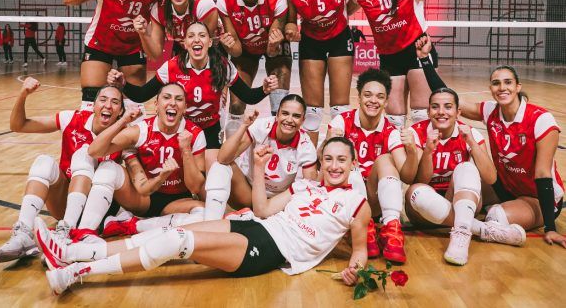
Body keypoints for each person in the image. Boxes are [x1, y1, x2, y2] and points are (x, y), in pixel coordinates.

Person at [34, 137, 370, 295]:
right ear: (321, 163)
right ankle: (71, 252)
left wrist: (355, 271)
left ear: (353, 164)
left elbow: (359, 249)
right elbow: (265, 209)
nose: (334, 166)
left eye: (342, 160)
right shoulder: (305, 187)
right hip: (257, 225)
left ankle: (76, 273)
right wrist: (256, 166)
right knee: (174, 230)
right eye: (328, 159)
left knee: (178, 241)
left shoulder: (356, 203)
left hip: (273, 249)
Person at [415, 35, 566, 248]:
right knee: (462, 195)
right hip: (505, 188)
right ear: (491, 88)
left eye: (508, 82)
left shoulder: (541, 119)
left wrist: (550, 228)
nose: (502, 87)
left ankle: (476, 228)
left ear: (518, 86)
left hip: (537, 197)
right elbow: (448, 99)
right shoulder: (490, 111)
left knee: (495, 216)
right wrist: (425, 60)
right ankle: (461, 224)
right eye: (496, 83)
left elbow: (542, 174)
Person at [107, 21, 279, 169]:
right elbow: (142, 94)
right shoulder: (172, 66)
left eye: (202, 35)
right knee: (177, 171)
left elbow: (248, 96)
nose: (196, 39)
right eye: (191, 36)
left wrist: (264, 89)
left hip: (210, 129)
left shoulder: (222, 66)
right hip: (181, 128)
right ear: (185, 44)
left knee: (213, 172)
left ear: (210, 42)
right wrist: (123, 84)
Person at [0, 78, 126, 262]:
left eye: (115, 102)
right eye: (103, 100)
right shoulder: (71, 119)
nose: (108, 106)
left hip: (98, 212)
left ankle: (69, 233)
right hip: (65, 205)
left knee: (84, 155)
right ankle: (24, 233)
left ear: (121, 111)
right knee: (43, 162)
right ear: (93, 105)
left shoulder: (126, 133)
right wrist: (23, 94)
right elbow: (18, 125)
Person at [354, 0, 470, 128]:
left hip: (417, 49)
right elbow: (343, 8)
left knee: (421, 115)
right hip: (389, 56)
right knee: (394, 119)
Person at [404, 87, 525, 265]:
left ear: (458, 112)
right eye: (435, 107)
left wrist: (472, 144)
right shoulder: (416, 133)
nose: (441, 112)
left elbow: (491, 178)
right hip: (425, 210)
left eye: (448, 107)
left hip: (461, 200)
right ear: (428, 112)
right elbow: (421, 181)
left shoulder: (469, 132)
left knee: (467, 168)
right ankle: (483, 230)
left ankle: (460, 236)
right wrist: (428, 151)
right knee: (415, 191)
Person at [72, 83, 207, 239]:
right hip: (143, 199)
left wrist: (186, 150)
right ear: (156, 105)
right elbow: (94, 151)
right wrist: (123, 121)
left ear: (185, 108)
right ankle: (84, 231)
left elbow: (195, 187)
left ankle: (134, 225)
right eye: (166, 97)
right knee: (107, 167)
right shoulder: (141, 130)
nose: (172, 103)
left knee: (204, 215)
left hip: (177, 201)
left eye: (179, 99)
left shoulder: (195, 134)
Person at [63, 0, 166, 111]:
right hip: (101, 43)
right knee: (91, 102)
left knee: (134, 107)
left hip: (132, 47)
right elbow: (69, 0)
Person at [327, 68, 418, 263]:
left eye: (380, 96)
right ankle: (363, 226)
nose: (373, 100)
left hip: (373, 201)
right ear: (359, 97)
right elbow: (324, 163)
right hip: (344, 199)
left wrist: (411, 150)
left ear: (386, 102)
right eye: (367, 95)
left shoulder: (391, 131)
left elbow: (407, 176)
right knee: (346, 158)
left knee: (385, 159)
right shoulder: (341, 121)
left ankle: (392, 228)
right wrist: (329, 142)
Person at [282, 0, 361, 145]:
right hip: (311, 41)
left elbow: (356, 1)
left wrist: (342, 14)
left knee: (339, 108)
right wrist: (290, 29)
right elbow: (291, 20)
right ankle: (309, 159)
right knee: (312, 111)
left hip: (339, 38)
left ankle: (338, 155)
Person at [203, 94, 318, 221]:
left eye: (296, 116)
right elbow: (223, 158)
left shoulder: (306, 147)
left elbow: (309, 188)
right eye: (285, 113)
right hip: (248, 191)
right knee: (214, 159)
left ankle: (255, 218)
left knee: (304, 187)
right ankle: (211, 219)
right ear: (277, 115)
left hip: (276, 202)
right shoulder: (262, 126)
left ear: (303, 120)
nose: (289, 120)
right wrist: (244, 126)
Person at [217, 0, 292, 136]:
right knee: (236, 104)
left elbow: (271, 52)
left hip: (273, 48)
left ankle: (277, 141)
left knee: (278, 98)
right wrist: (229, 46)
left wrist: (274, 43)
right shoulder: (225, 0)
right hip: (244, 50)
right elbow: (237, 51)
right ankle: (233, 147)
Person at [145, 0, 220, 56]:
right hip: (184, 49)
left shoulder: (204, 5)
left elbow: (204, 44)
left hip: (212, 49)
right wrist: (143, 34)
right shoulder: (158, 9)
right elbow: (156, 53)